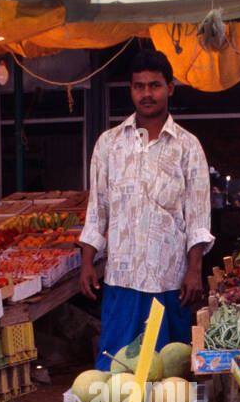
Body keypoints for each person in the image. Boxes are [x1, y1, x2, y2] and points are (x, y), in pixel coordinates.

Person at [79, 49, 212, 370]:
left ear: (170, 87)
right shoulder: (109, 144)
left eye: (155, 85)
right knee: (116, 369)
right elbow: (97, 210)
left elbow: (197, 216)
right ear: (131, 89)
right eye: (139, 86)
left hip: (170, 280)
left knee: (168, 374)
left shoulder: (188, 146)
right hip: (121, 278)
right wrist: (87, 263)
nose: (147, 93)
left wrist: (194, 270)